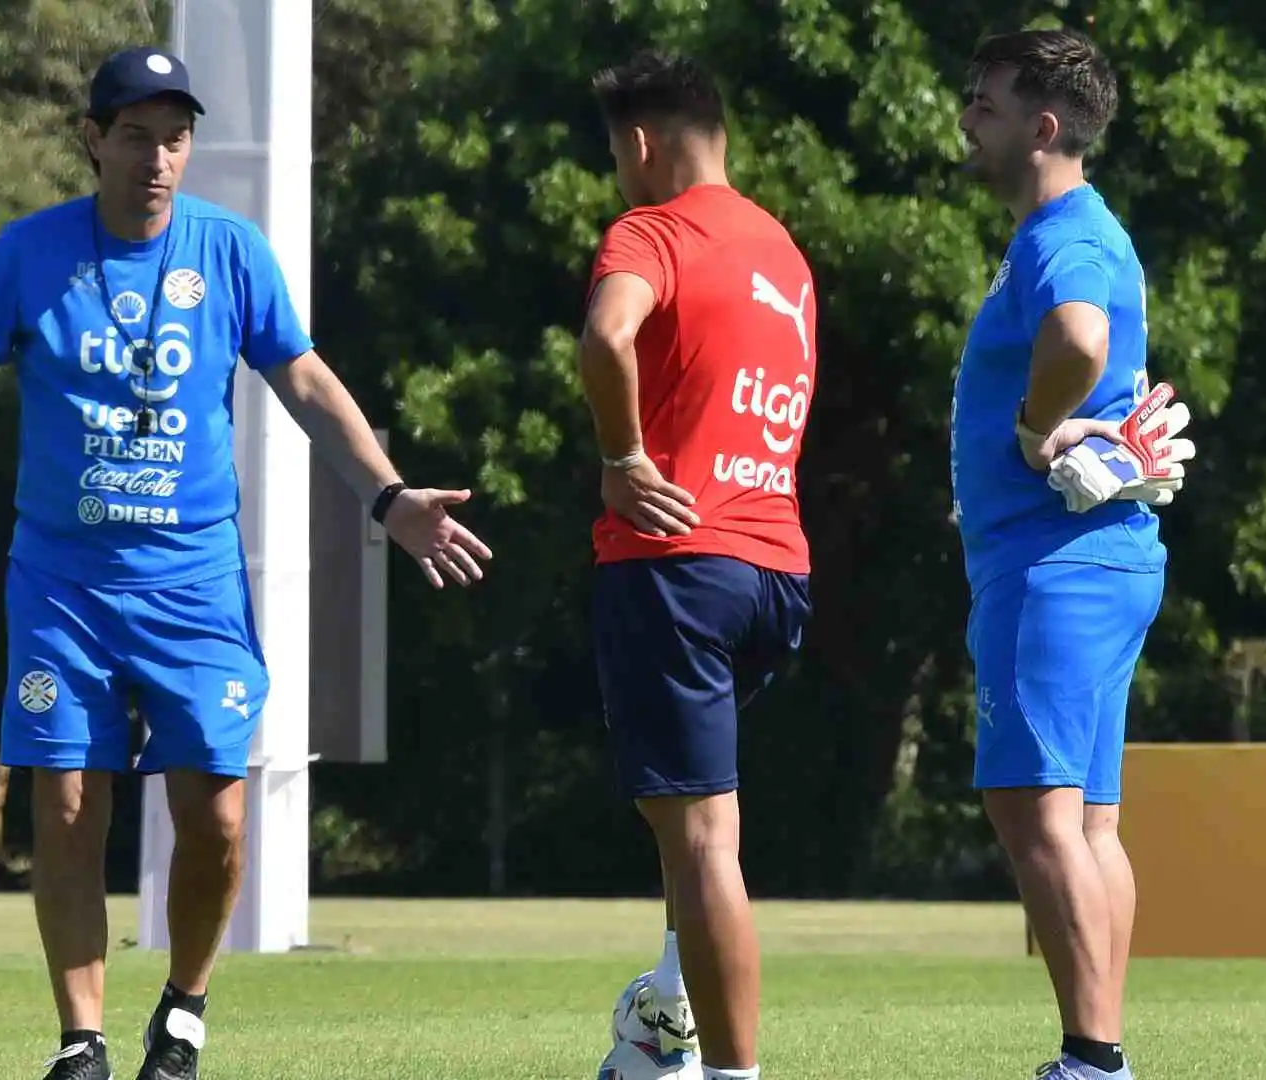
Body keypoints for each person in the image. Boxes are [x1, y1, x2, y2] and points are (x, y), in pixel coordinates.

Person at [0, 45, 491, 1080]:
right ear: (93, 140)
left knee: (217, 815)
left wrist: (389, 496)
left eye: (175, 139)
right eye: (136, 136)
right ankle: (81, 1041)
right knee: (64, 805)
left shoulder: (230, 252)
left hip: (192, 584)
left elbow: (306, 381)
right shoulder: (30, 252)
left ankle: (183, 1009)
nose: (157, 159)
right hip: (62, 585)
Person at [953, 27, 1195, 1080]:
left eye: (988, 102)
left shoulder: (1066, 236)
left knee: (1034, 809)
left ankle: (1093, 1060)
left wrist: (1031, 427)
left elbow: (1082, 339)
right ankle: (1100, 1056)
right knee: (1090, 824)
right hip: (1093, 561)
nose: (969, 117)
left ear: (1044, 127)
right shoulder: (1068, 232)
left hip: (1054, 563)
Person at [578, 50, 819, 1080]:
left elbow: (607, 337)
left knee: (704, 836)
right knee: (689, 825)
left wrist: (622, 457)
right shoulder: (783, 252)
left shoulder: (651, 231)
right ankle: (666, 1019)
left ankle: (728, 1072)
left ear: (640, 143)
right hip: (776, 575)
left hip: (677, 565)